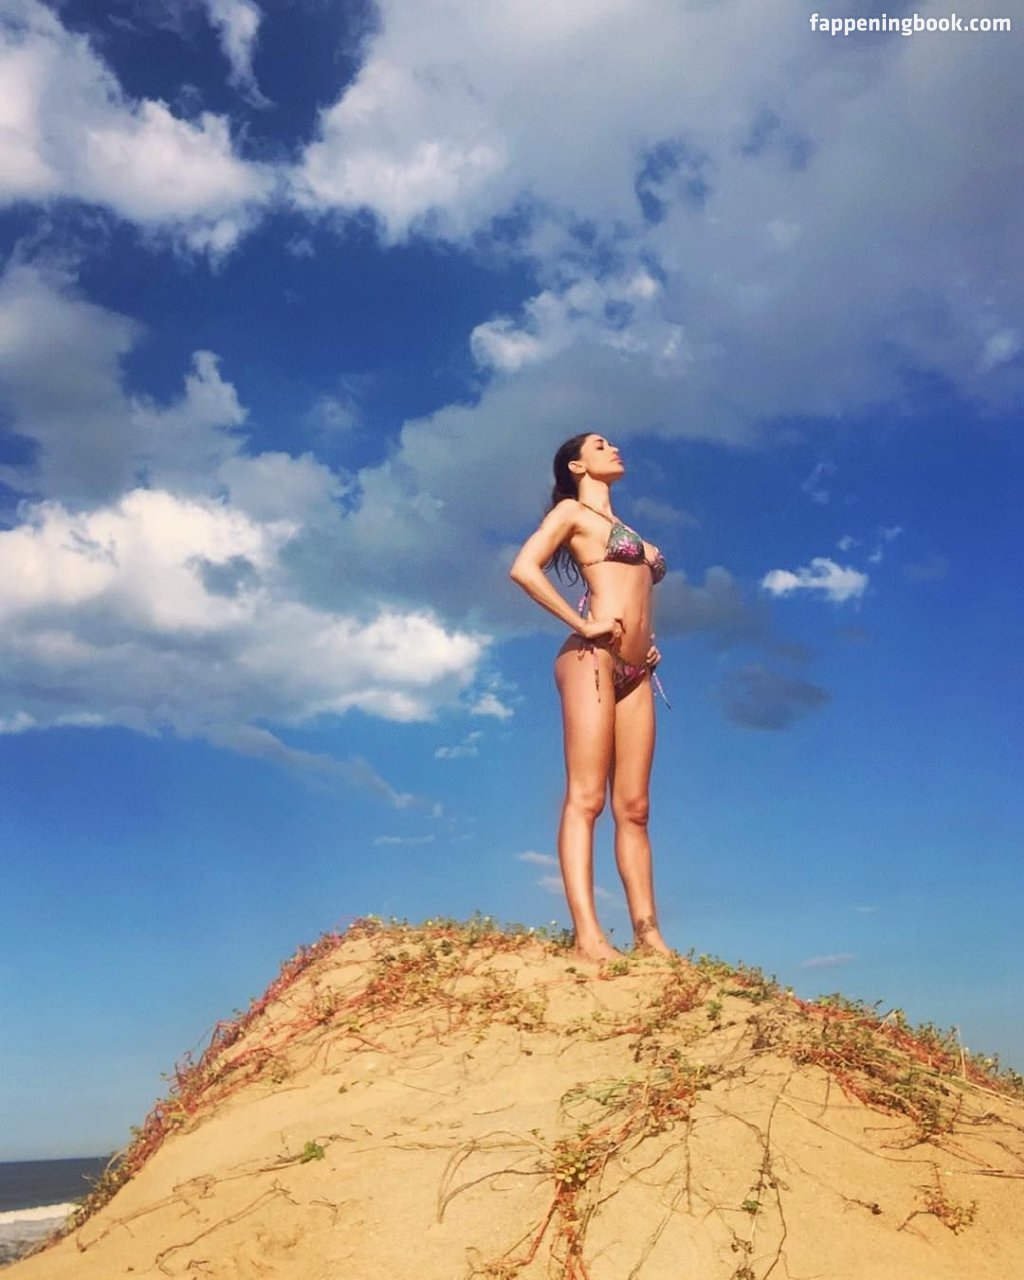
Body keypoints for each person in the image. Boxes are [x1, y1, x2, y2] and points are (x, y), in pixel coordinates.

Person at [510, 433, 674, 963]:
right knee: (587, 799)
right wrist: (581, 623)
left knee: (636, 808)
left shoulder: (630, 532)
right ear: (578, 466)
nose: (614, 449)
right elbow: (524, 568)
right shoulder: (571, 514)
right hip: (592, 659)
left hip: (637, 670)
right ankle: (588, 937)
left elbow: (635, 590)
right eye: (600, 446)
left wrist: (647, 644)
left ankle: (650, 939)